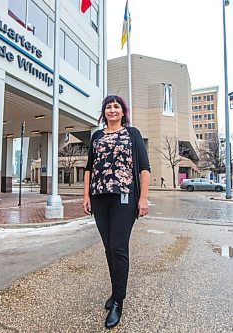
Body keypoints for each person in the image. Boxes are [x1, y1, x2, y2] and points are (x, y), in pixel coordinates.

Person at [83, 95, 150, 329]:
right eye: (108, 107)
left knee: (119, 248)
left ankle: (118, 302)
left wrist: (142, 198)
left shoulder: (132, 134)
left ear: (123, 112)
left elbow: (144, 168)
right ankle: (115, 292)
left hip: (125, 196)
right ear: (104, 112)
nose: (112, 110)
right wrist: (86, 196)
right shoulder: (97, 136)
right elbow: (89, 169)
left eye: (116, 107)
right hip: (99, 197)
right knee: (109, 248)